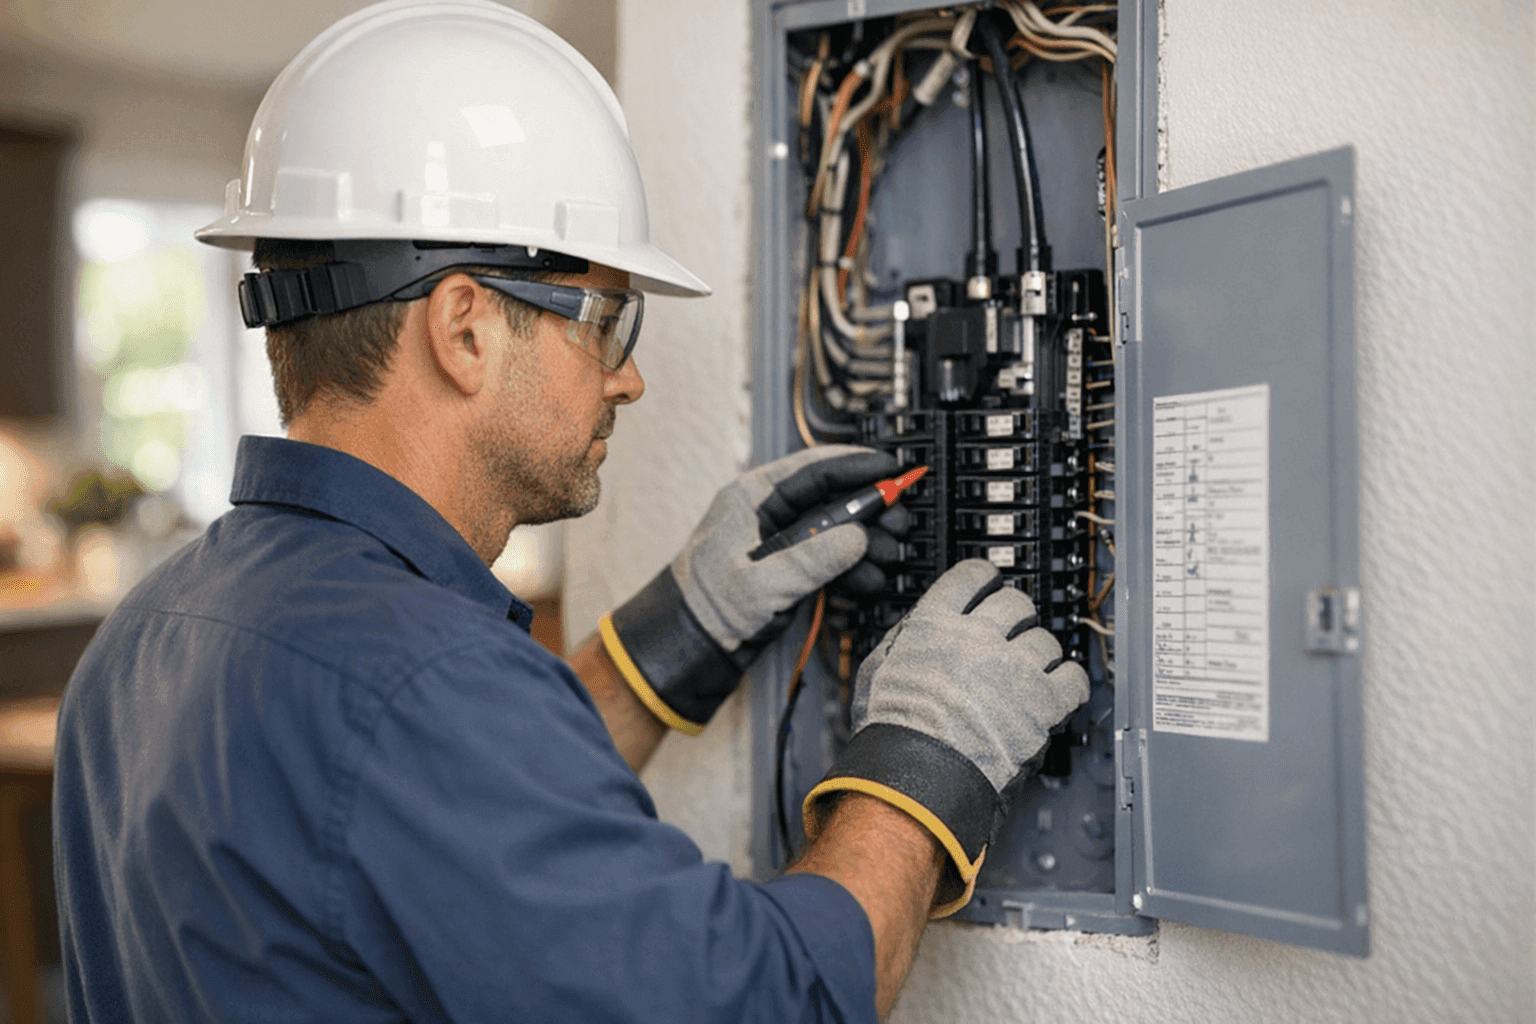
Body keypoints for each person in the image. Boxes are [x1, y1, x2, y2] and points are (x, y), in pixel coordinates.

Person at [52, 2, 1089, 1021]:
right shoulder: (427, 686)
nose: (626, 379)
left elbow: (407, 838)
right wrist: (925, 757)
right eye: (607, 320)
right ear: (465, 329)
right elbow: (761, 1004)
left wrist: (678, 630)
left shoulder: (143, 636)